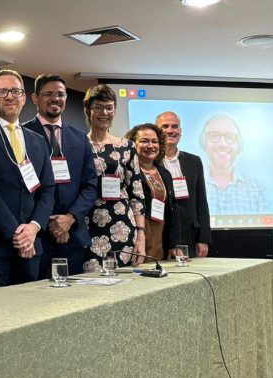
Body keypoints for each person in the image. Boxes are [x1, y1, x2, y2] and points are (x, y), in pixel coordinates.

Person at [0, 69, 55, 288]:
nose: (10, 96)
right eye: (2, 92)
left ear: (24, 98)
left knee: (29, 312)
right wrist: (17, 235)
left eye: (16, 91)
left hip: (33, 244)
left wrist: (34, 227)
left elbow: (47, 189)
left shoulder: (37, 141)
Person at [23, 74, 97, 278]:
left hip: (73, 235)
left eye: (60, 94)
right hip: (36, 236)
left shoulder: (80, 138)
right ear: (35, 98)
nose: (55, 99)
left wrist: (69, 218)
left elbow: (90, 186)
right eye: (48, 94)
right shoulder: (22, 134)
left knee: (72, 301)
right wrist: (47, 222)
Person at [83, 85, 146, 267]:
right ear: (87, 110)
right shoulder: (79, 145)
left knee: (124, 286)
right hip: (88, 225)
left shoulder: (127, 146)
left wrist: (140, 235)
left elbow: (136, 193)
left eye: (109, 107)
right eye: (98, 107)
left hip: (123, 226)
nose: (104, 112)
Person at [156, 111, 211, 258]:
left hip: (189, 235)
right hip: (159, 234)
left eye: (175, 126)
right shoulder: (150, 162)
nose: (170, 130)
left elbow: (201, 202)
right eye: (165, 126)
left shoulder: (194, 161)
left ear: (180, 132)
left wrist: (203, 238)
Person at [125, 124, 181, 260]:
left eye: (154, 141)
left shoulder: (165, 174)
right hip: (138, 234)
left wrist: (174, 243)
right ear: (133, 144)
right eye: (144, 141)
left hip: (160, 235)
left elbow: (173, 210)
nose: (150, 146)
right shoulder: (127, 171)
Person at [201, 114, 268, 215]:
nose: (222, 144)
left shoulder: (257, 189)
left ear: (239, 145)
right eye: (215, 136)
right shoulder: (191, 185)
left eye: (229, 137)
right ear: (204, 142)